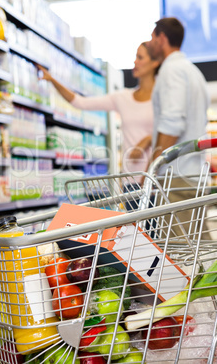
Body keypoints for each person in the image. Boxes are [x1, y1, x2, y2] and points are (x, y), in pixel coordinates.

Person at [38, 42, 160, 183]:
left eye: (140, 57)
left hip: (155, 180)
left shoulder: (162, 98)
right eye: (135, 57)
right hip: (130, 180)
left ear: (154, 63)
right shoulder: (123, 97)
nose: (135, 62)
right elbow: (80, 102)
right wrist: (53, 80)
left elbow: (169, 132)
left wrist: (148, 139)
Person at [147, 17, 211, 239]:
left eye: (152, 37)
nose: (150, 42)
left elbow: (173, 124)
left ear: (162, 38)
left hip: (176, 177)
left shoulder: (171, 70)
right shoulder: (193, 72)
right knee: (197, 252)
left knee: (177, 254)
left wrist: (153, 167)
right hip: (193, 173)